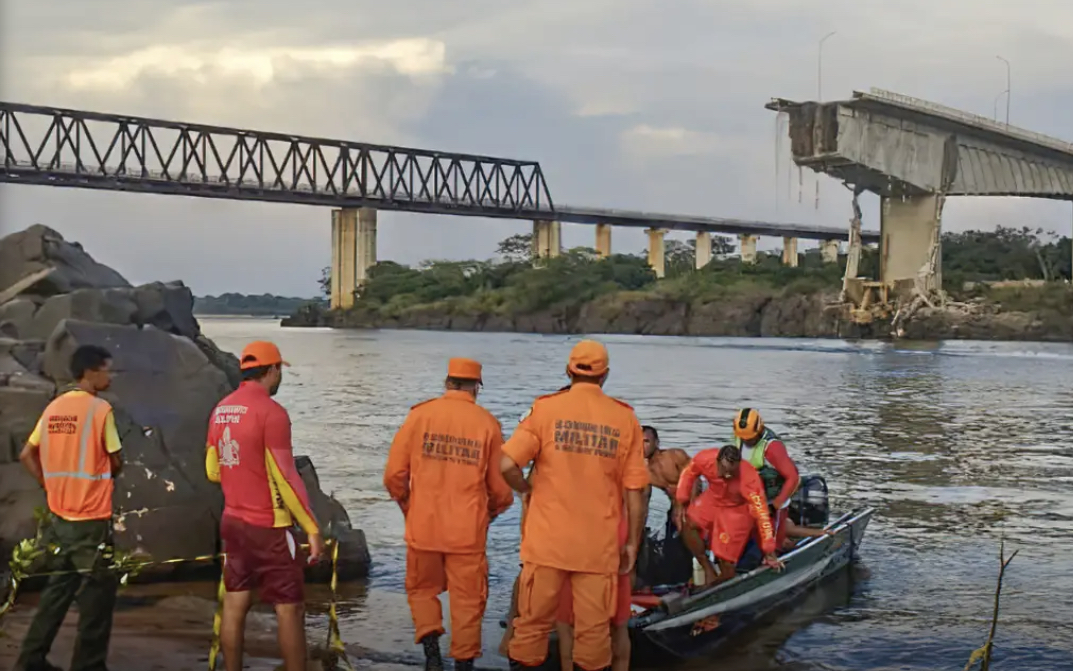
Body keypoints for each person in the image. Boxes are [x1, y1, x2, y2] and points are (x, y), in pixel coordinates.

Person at [500, 339, 649, 671]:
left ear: (569, 370)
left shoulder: (545, 409)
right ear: (605, 375)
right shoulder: (625, 419)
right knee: (594, 636)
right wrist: (632, 544)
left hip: (546, 545)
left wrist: (526, 490)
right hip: (597, 549)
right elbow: (635, 491)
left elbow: (506, 465)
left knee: (531, 627)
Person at [384, 358, 515, 671]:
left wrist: (409, 506)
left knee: (421, 590)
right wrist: (491, 514)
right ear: (476, 388)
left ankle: (432, 655)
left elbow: (393, 476)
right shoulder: (487, 424)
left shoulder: (419, 416)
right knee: (468, 599)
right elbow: (501, 488)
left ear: (447, 383)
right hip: (467, 532)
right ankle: (464, 664)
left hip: (423, 525)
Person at [205, 341, 325, 671]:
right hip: (269, 526)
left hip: (233, 521)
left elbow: (212, 470)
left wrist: (242, 474)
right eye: (279, 370)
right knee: (290, 608)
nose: (280, 376)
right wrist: (312, 528)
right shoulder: (272, 413)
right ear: (272, 370)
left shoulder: (221, 409)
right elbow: (287, 478)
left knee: (235, 601)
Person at [15, 345, 124, 671]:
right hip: (90, 517)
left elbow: (26, 455)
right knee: (98, 596)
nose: (111, 375)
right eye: (108, 369)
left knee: (57, 591)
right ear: (91, 372)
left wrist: (49, 484)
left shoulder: (54, 408)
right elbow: (115, 459)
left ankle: (30, 659)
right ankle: (89, 665)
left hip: (59, 514)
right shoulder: (100, 410)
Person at [675, 445, 783, 584]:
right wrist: (682, 500)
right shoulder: (705, 458)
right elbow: (689, 472)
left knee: (724, 557)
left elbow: (762, 514)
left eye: (731, 472)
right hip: (714, 497)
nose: (727, 475)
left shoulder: (749, 479)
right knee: (688, 521)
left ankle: (722, 583)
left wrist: (769, 550)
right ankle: (707, 569)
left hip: (737, 508)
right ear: (717, 461)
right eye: (724, 470)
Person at [555, 501, 632, 671]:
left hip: (571, 543)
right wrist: (633, 542)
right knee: (617, 626)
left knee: (568, 627)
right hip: (610, 539)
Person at [641, 425, 714, 584]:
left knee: (687, 523)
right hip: (675, 507)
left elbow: (695, 478)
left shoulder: (674, 456)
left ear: (656, 442)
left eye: (646, 441)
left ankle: (709, 571)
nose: (642, 446)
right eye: (638, 442)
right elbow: (643, 498)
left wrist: (689, 505)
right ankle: (686, 577)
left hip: (699, 499)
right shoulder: (643, 470)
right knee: (669, 543)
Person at [732, 408, 800, 553]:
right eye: (744, 438)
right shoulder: (739, 437)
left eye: (750, 438)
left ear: (760, 429)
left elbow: (793, 477)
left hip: (773, 501)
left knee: (772, 545)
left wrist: (775, 506)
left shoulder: (772, 448)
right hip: (751, 499)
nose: (746, 441)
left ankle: (780, 548)